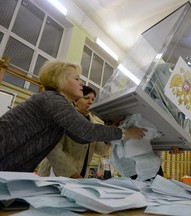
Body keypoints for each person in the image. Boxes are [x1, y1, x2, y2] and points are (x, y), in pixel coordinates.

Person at [0, 60, 146, 172]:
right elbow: (86, 131)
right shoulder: (52, 99)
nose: (82, 83)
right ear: (60, 80)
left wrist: (111, 129)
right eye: (77, 79)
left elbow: (81, 137)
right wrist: (125, 133)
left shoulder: (57, 103)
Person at [37, 86, 110, 178]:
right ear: (75, 101)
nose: (90, 102)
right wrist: (71, 174)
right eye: (86, 98)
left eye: (93, 99)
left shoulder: (95, 125)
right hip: (57, 175)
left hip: (80, 177)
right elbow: (53, 150)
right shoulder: (64, 118)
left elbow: (101, 151)